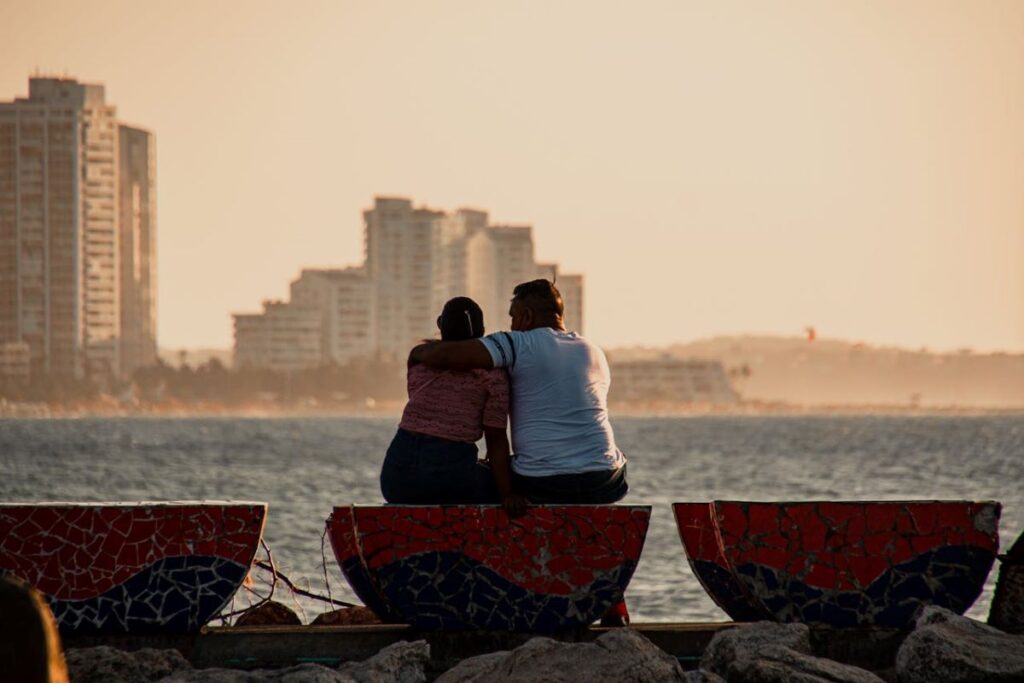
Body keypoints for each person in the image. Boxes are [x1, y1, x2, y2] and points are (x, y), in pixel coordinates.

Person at [409, 280, 627, 505]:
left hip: (542, 484)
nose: (511, 325)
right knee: (614, 456)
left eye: (513, 317)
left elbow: (446, 356)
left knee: (489, 472)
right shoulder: (593, 351)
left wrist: (418, 352)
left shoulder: (516, 343)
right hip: (604, 483)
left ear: (527, 316)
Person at [380, 297, 528, 516]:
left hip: (396, 479)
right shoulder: (493, 376)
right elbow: (495, 438)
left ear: (440, 324)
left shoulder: (419, 359)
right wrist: (507, 494)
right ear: (483, 331)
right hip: (450, 479)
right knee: (514, 479)